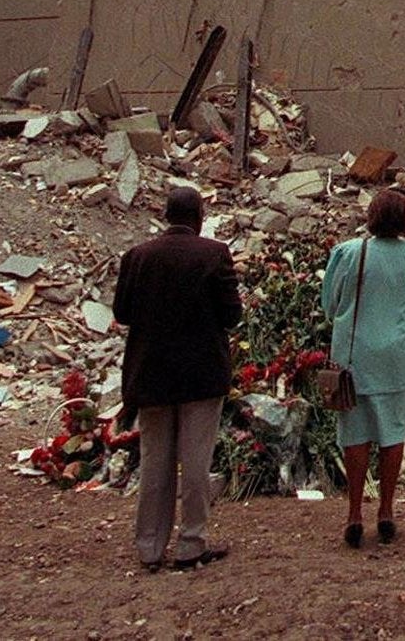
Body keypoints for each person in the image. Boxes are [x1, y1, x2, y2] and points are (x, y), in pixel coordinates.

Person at [113, 187, 241, 571]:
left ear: (165, 216)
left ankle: (150, 546)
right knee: (196, 462)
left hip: (151, 373)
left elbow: (122, 312)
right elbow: (232, 316)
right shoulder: (214, 254)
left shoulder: (137, 257)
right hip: (202, 374)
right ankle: (191, 542)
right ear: (199, 217)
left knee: (155, 462)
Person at [323, 189, 405, 548]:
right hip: (401, 359)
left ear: (371, 217)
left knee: (355, 436)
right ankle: (386, 510)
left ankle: (355, 513)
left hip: (357, 358)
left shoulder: (349, 253)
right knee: (393, 435)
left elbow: (330, 304)